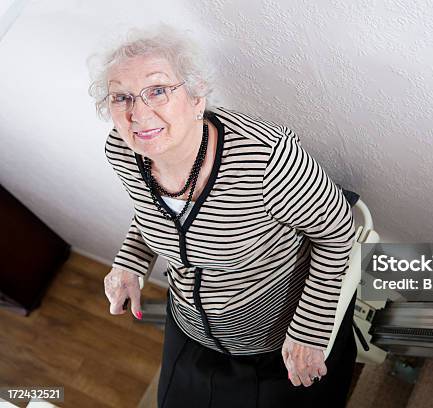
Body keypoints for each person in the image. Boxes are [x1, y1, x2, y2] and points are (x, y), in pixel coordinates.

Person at [88, 24, 357, 407]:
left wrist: (309, 331)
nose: (138, 113)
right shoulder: (122, 150)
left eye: (158, 90)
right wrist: (131, 261)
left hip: (275, 338)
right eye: (121, 98)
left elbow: (338, 232)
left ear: (197, 98)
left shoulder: (266, 157)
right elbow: (152, 214)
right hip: (190, 329)